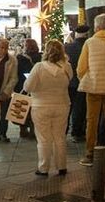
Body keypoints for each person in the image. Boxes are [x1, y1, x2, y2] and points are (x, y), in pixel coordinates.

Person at [77, 14, 105, 164]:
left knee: (92, 121)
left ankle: (89, 154)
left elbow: (81, 68)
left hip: (94, 87)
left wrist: (85, 79)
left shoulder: (90, 42)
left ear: (98, 27)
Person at [26, 41, 73, 176]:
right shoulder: (67, 67)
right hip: (62, 105)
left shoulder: (39, 67)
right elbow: (69, 81)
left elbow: (27, 87)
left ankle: (43, 167)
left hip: (41, 106)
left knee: (43, 138)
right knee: (60, 136)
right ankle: (62, 166)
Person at [64, 22, 89, 141]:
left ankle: (63, 131)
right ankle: (77, 132)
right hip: (83, 82)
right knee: (80, 108)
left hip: (69, 82)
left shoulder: (67, 47)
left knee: (67, 108)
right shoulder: (88, 46)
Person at [0, 37, 17, 141]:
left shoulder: (12, 60)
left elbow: (13, 78)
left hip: (4, 89)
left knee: (4, 114)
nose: (4, 50)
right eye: (2, 47)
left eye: (6, 48)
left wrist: (6, 91)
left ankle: (2, 134)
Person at [15, 38, 39, 139]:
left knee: (22, 108)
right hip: (36, 87)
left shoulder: (20, 58)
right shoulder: (40, 57)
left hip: (22, 86)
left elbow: (17, 72)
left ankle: (23, 130)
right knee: (33, 109)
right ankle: (33, 130)